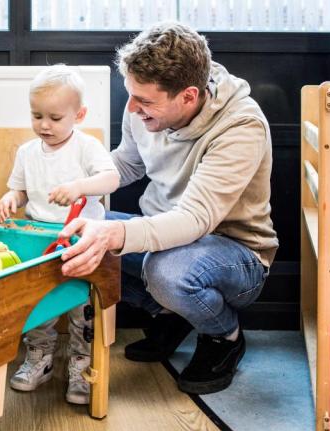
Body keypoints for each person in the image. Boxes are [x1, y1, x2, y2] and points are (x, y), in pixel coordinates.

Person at [52, 22, 279, 394]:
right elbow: (125, 165)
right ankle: (174, 314)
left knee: (165, 271)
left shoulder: (241, 127)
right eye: (130, 94)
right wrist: (72, 187)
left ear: (188, 96)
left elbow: (194, 220)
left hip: (236, 254)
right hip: (166, 235)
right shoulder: (142, 104)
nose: (131, 107)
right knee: (67, 231)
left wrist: (115, 234)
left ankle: (225, 337)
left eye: (144, 101)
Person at [0, 65, 119, 404]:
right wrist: (10, 199)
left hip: (83, 242)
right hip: (39, 242)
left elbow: (111, 179)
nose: (44, 125)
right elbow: (20, 192)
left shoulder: (86, 147)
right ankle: (39, 360)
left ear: (78, 115)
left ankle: (81, 365)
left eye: (54, 117)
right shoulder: (27, 152)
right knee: (39, 305)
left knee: (83, 311)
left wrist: (79, 186)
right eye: (37, 116)